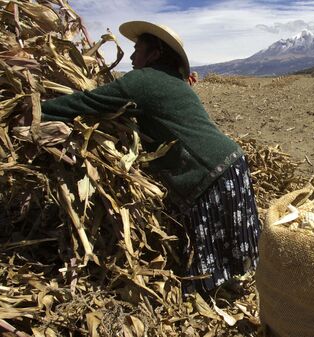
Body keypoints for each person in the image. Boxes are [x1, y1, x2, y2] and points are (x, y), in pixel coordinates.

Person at [39, 21, 261, 294]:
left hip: (209, 171)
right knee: (229, 248)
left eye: (137, 50)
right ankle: (232, 291)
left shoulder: (142, 80)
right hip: (231, 162)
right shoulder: (173, 80)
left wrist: (36, 110)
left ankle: (211, 297)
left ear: (154, 54)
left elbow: (87, 103)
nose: (131, 57)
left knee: (205, 268)